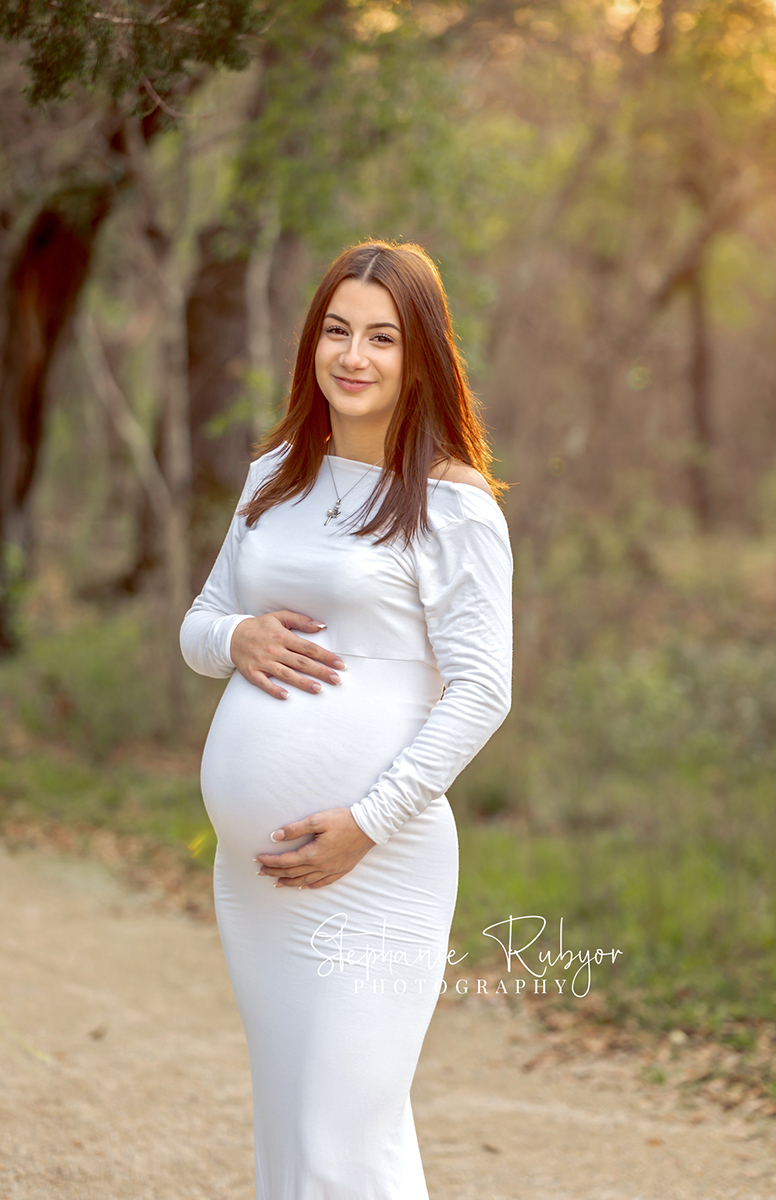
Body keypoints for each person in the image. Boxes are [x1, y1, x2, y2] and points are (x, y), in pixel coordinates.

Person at [179, 239, 513, 1200]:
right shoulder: (275, 476)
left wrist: (365, 824)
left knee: (342, 1126)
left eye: (381, 337)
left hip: (379, 862)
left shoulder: (450, 504)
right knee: (292, 1128)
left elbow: (483, 689)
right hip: (256, 876)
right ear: (311, 344)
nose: (353, 357)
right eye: (336, 331)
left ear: (421, 358)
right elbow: (201, 623)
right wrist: (237, 635)